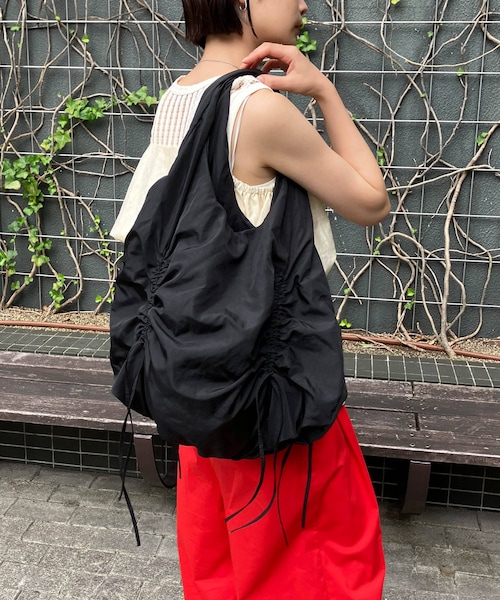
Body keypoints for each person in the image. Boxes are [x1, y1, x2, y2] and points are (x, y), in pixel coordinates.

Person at [111, 1, 390, 598]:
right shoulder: (258, 108)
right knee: (319, 557)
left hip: (201, 377)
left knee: (220, 556)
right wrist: (324, 92)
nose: (304, 4)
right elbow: (371, 201)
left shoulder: (177, 96)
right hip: (269, 385)